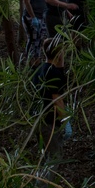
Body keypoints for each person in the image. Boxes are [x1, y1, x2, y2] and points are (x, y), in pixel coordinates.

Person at [32, 39, 69, 174]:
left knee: (45, 155)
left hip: (38, 118)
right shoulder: (53, 73)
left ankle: (39, 184)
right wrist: (66, 121)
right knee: (55, 157)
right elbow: (57, 100)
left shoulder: (39, 70)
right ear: (59, 53)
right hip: (49, 122)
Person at [21, 0, 47, 65]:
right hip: (32, 17)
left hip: (41, 16)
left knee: (39, 40)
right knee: (33, 40)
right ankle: (30, 62)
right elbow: (27, 2)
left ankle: (37, 60)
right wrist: (33, 17)